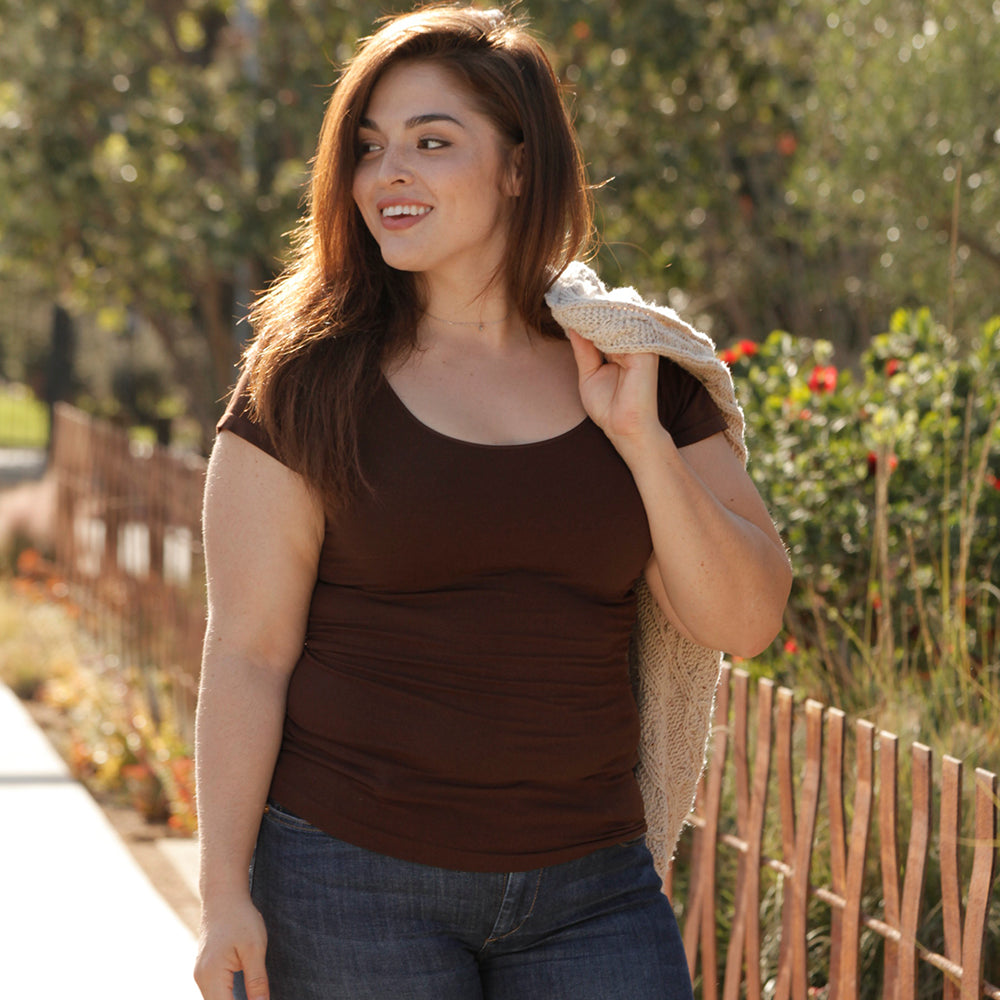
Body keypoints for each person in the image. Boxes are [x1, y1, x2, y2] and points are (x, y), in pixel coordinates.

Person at [193, 5, 792, 1000]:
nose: (389, 173)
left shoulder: (643, 365)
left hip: (592, 887)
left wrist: (640, 441)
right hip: (348, 879)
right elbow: (248, 653)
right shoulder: (301, 384)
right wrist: (222, 896)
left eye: (433, 142)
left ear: (519, 165)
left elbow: (745, 618)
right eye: (370, 146)